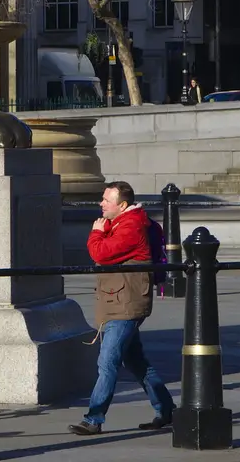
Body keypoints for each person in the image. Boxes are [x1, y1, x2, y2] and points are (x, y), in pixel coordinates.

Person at [70, 181, 175, 435]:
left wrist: (96, 232)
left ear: (123, 205)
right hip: (119, 301)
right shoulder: (120, 223)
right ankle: (167, 409)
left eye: (107, 200)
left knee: (107, 361)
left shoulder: (130, 226)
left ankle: (94, 418)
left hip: (126, 304)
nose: (101, 203)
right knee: (136, 362)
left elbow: (100, 253)